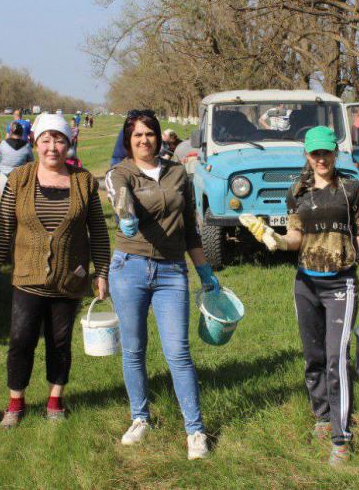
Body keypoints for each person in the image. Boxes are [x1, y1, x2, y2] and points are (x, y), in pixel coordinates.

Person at [240, 126, 359, 466]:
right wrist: (275, 239)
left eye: (326, 152)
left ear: (335, 152)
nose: (321, 159)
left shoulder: (351, 188)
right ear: (306, 154)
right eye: (315, 153)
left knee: (337, 360)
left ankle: (341, 436)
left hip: (341, 284)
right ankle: (322, 417)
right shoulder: (297, 190)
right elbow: (296, 237)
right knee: (314, 357)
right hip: (306, 284)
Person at [0, 113, 111, 428]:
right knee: (21, 340)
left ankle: (55, 400)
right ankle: (15, 402)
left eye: (59, 140)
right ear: (35, 143)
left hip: (69, 279)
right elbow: (3, 229)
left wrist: (101, 272)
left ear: (69, 144)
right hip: (27, 278)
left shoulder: (84, 181)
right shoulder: (20, 178)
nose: (52, 147)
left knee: (60, 341)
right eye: (46, 140)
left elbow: (99, 232)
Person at [103, 109, 221, 461]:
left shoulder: (177, 173)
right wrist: (126, 216)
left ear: (158, 137)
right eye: (137, 135)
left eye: (149, 133)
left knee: (178, 352)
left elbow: (190, 227)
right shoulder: (120, 172)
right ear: (129, 140)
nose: (144, 140)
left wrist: (204, 271)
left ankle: (195, 430)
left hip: (171, 272)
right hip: (130, 269)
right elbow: (120, 197)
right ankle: (140, 418)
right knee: (134, 349)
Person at [0, 121, 34, 198]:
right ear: (22, 132)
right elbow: (31, 162)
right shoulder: (27, 146)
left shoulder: (3, 144)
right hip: (21, 177)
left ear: (10, 132)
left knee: (3, 199)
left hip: (4, 176)